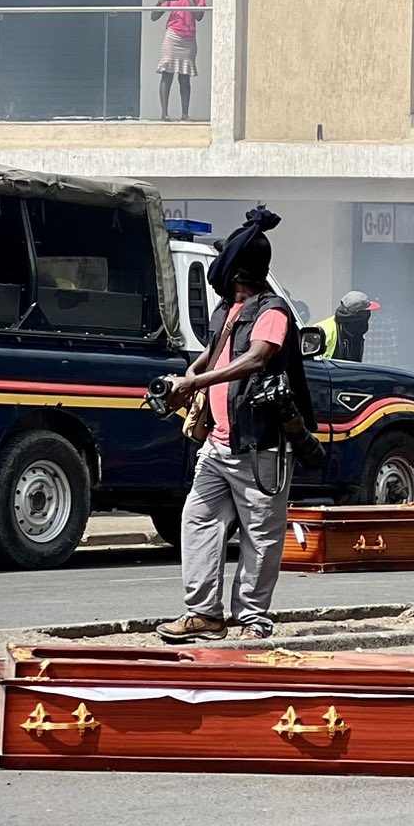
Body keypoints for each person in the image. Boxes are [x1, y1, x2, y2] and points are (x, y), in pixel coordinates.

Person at [158, 205, 308, 642]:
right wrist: (183, 384)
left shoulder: (272, 310)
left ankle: (252, 617)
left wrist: (199, 379)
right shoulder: (228, 310)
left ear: (235, 270)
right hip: (218, 447)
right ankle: (203, 614)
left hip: (261, 444)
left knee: (260, 537)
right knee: (198, 520)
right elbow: (214, 352)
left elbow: (258, 356)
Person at [152, 0, 208, 120]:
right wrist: (160, 1)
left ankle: (185, 114)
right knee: (167, 74)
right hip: (173, 37)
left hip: (188, 40)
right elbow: (154, 16)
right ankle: (164, 114)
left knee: (184, 78)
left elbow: (199, 16)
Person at [311, 290, 377, 362]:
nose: (368, 315)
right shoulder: (322, 331)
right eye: (366, 312)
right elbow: (310, 363)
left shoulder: (356, 330)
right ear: (355, 315)